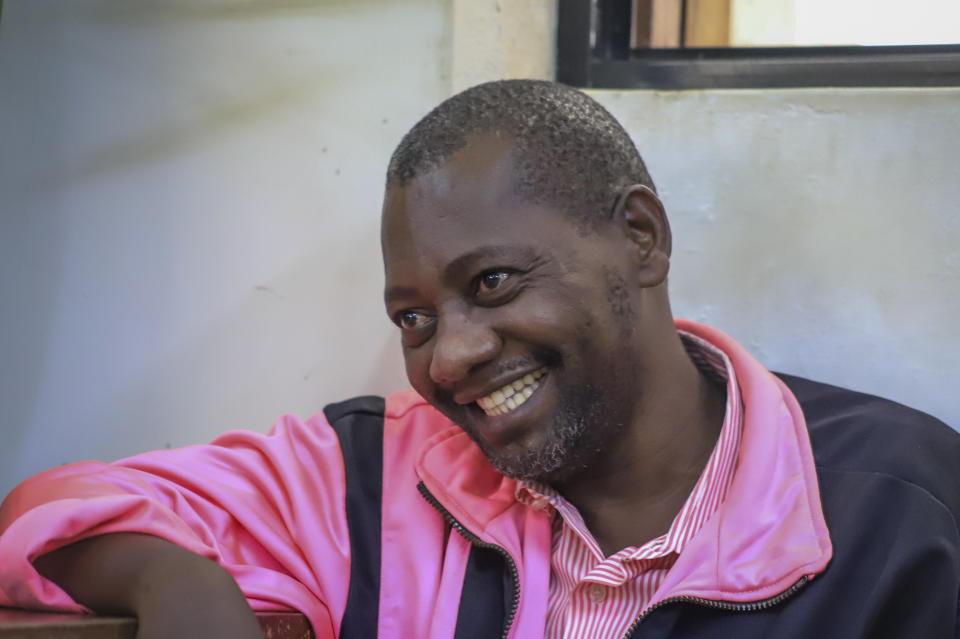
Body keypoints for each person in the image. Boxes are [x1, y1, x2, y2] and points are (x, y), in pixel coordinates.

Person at [1, 80, 958, 639]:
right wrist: (176, 583)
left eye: (493, 282)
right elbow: (50, 508)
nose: (450, 353)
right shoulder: (374, 480)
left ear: (641, 239)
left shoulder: (898, 512)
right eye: (412, 318)